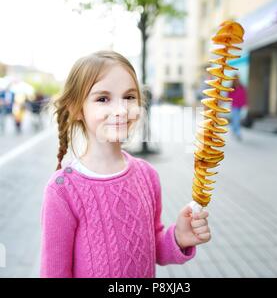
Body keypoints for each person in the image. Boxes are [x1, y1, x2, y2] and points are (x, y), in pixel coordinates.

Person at [40, 51, 211, 278]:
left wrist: (179, 237)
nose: (121, 110)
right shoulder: (62, 189)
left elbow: (153, 245)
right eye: (103, 99)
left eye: (129, 97)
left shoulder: (147, 175)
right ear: (76, 109)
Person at [228, 74, 248, 140]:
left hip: (240, 105)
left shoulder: (241, 86)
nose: (236, 79)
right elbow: (229, 96)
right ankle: (238, 132)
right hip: (234, 105)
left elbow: (244, 95)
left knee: (236, 118)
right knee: (236, 119)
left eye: (237, 78)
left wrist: (245, 104)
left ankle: (234, 130)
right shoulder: (232, 87)